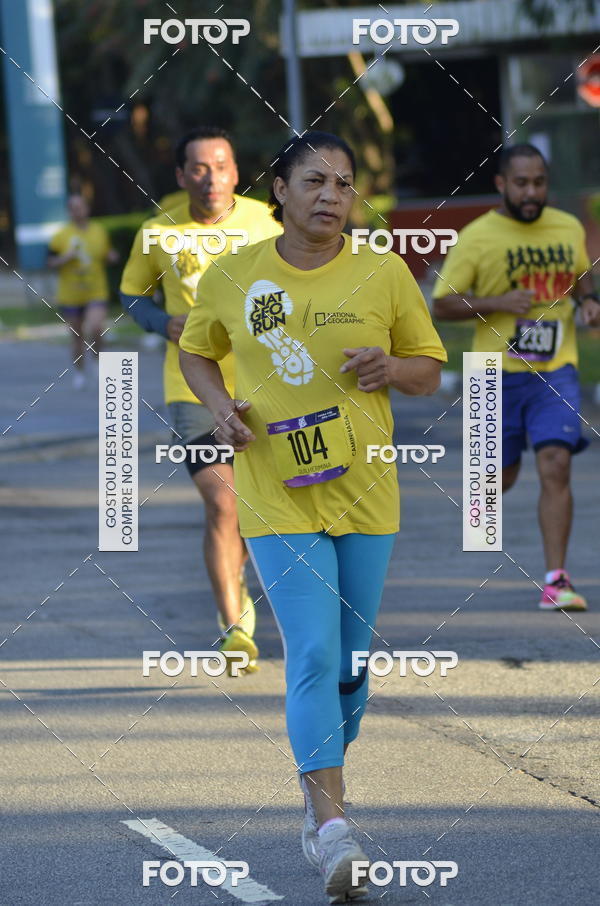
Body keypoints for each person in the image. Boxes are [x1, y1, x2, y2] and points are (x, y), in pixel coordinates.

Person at [178, 131, 447, 903]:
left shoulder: (383, 272)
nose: (332, 195)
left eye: (344, 183)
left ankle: (320, 770)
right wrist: (219, 406)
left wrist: (391, 367)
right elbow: (199, 352)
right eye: (315, 181)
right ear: (281, 191)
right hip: (273, 495)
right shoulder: (234, 277)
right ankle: (331, 826)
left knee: (353, 672)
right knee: (313, 656)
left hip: (368, 495)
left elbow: (429, 371)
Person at [120, 126, 281, 672]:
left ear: (237, 171)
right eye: (199, 168)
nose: (211, 178)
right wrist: (160, 320)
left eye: (222, 166)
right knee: (224, 502)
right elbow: (129, 294)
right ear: (181, 175)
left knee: (263, 506)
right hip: (190, 385)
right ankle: (234, 626)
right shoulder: (157, 233)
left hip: (267, 381)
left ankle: (246, 582)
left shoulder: (266, 221)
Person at [433, 143, 600, 611]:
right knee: (494, 484)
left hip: (555, 370)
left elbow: (581, 275)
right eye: (522, 183)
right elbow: (442, 304)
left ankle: (557, 580)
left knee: (556, 462)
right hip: (493, 374)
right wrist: (496, 303)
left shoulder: (566, 228)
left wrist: (590, 302)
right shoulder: (478, 236)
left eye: (539, 183)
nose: (532, 192)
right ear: (502, 184)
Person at [48, 194, 118, 388]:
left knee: (96, 327)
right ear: (69, 212)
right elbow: (50, 262)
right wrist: (66, 257)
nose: (78, 211)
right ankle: (79, 371)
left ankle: (98, 363)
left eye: (81, 207)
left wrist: (113, 256)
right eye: (73, 208)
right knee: (77, 337)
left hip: (96, 290)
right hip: (70, 294)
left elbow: (106, 252)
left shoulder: (98, 231)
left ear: (87, 209)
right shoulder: (60, 236)